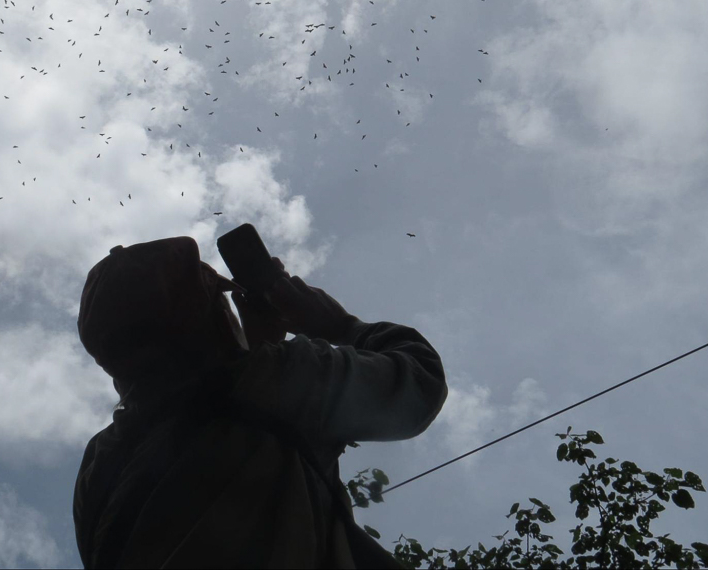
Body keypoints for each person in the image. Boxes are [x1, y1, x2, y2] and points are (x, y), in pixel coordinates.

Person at [73, 236, 448, 568]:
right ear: (209, 315)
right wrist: (338, 325)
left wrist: (256, 349)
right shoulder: (281, 379)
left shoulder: (99, 464)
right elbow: (420, 386)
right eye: (219, 298)